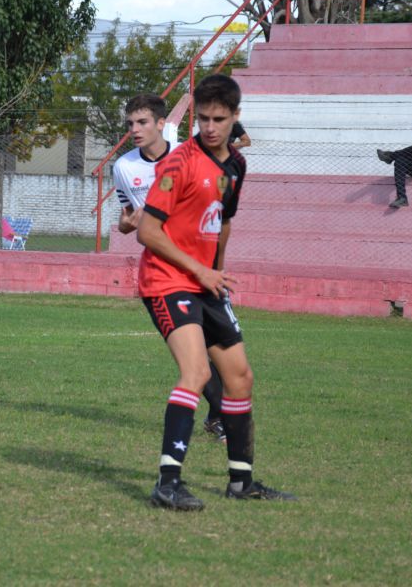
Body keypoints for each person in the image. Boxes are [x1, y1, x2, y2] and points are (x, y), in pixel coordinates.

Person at [137, 74, 295, 511]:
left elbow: (223, 222)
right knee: (198, 374)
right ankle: (167, 483)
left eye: (218, 119)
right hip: (167, 280)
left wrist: (217, 276)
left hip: (207, 283)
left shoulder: (237, 167)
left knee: (240, 377)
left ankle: (241, 483)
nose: (209, 127)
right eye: (202, 118)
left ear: (235, 117)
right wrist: (200, 272)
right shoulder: (178, 163)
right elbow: (147, 232)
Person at [112, 93, 226, 443]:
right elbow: (126, 220)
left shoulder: (186, 157)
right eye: (130, 123)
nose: (135, 129)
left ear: (162, 124)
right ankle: (220, 418)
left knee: (217, 347)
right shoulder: (124, 168)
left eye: (142, 122)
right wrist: (130, 225)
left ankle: (219, 415)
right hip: (164, 271)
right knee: (196, 353)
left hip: (198, 262)